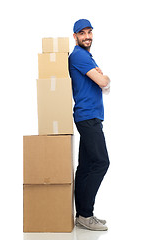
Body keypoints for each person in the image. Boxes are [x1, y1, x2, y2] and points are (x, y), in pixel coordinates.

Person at [69, 19, 110, 231]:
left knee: (85, 167)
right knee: (101, 162)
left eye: (89, 32)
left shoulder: (86, 55)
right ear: (75, 36)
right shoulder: (78, 55)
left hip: (89, 117)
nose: (87, 36)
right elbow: (103, 82)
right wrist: (105, 77)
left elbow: (100, 80)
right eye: (82, 33)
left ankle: (84, 214)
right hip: (87, 117)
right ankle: (85, 214)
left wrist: (101, 77)